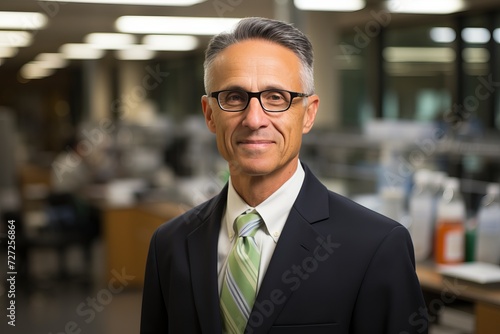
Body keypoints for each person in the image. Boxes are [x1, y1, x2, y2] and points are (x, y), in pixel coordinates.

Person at [140, 17, 428, 334]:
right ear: (210, 114)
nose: (254, 119)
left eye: (276, 97)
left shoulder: (376, 246)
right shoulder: (170, 244)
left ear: (309, 113)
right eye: (234, 97)